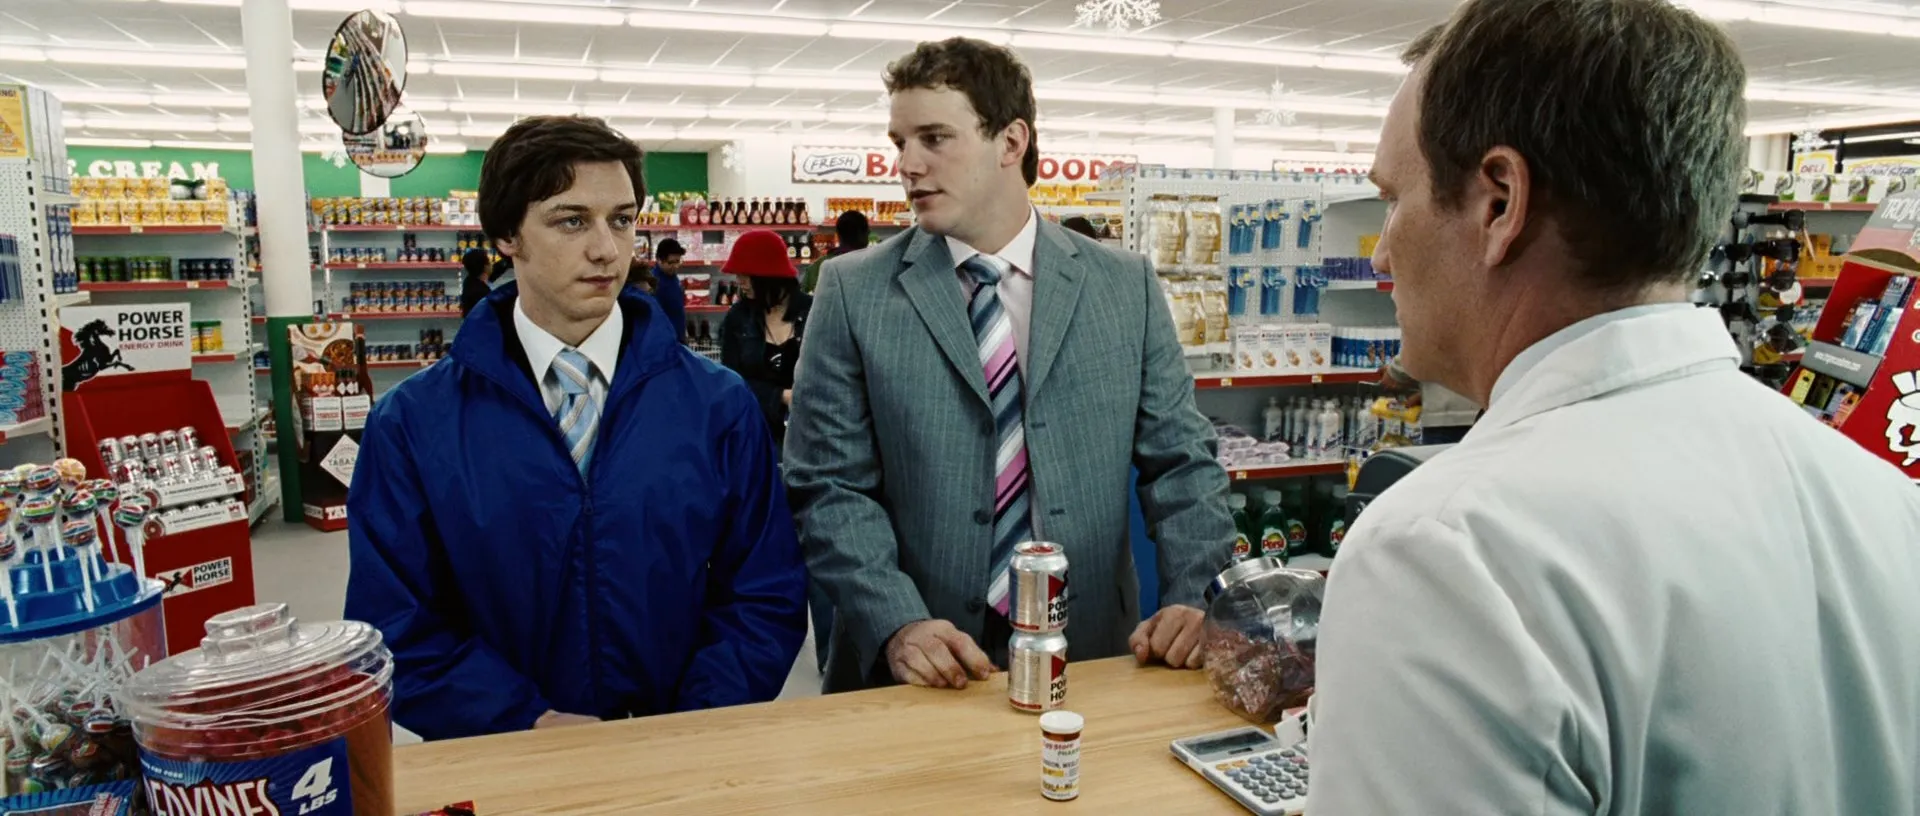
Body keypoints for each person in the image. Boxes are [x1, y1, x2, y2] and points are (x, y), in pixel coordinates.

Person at [1311, 2, 1920, 813]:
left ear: (1499, 203)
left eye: (1394, 199)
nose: (1383, 253)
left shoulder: (1447, 552)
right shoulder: (1881, 500)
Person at [785, 37, 1235, 694]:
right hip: (915, 666)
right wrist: (898, 621)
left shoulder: (1124, 286)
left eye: (934, 138)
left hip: (1090, 655)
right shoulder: (855, 292)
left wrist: (1195, 595)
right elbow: (829, 485)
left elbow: (1183, 464)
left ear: (1011, 141)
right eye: (899, 142)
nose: (907, 165)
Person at [345, 115, 807, 741]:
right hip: (504, 757)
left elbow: (765, 591)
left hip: (685, 753)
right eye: (571, 221)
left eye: (622, 220)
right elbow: (394, 621)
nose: (607, 249)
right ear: (507, 235)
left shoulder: (718, 406)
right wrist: (522, 721)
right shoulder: (413, 423)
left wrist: (693, 720)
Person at [718, 230, 810, 450]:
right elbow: (731, 380)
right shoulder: (738, 317)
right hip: (754, 432)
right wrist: (780, 396)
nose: (739, 282)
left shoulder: (813, 312)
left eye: (745, 275)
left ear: (768, 275)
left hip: (809, 432)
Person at [801, 210, 869, 293]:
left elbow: (803, 297)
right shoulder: (872, 267)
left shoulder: (817, 267)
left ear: (838, 235)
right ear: (865, 234)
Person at [650, 237, 689, 343]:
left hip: (677, 337)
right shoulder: (653, 283)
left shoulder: (672, 276)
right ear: (659, 260)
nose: (675, 266)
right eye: (671, 262)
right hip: (665, 341)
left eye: (678, 261)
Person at [459, 248, 493, 315]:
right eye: (489, 262)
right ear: (485, 266)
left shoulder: (470, 281)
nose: (492, 265)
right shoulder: (480, 292)